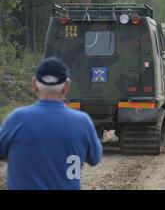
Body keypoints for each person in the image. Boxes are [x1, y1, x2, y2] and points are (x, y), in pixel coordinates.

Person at [0, 57, 102, 190]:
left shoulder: (16, 119)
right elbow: (94, 158)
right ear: (66, 86)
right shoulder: (83, 122)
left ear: (34, 84)